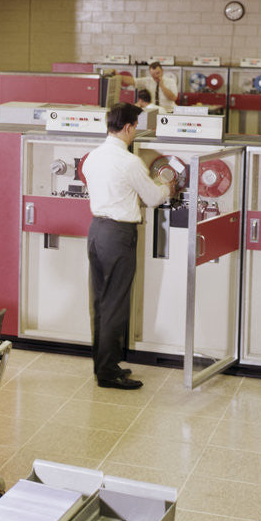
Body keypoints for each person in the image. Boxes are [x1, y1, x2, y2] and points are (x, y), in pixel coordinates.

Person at [83, 102, 175, 390]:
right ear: (128, 127)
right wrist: (167, 187)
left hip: (97, 231)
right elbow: (152, 197)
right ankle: (108, 374)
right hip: (119, 234)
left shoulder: (92, 157)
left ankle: (104, 365)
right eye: (135, 128)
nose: (135, 133)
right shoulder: (129, 161)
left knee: (100, 302)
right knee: (115, 304)